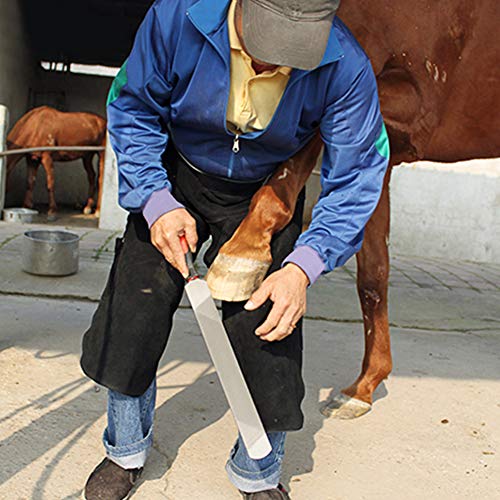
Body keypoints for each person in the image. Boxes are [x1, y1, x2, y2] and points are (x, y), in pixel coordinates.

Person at [80, 0, 390, 498]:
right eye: (267, 40)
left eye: (294, 49)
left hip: (265, 188)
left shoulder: (345, 66)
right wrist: (156, 202)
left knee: (270, 326)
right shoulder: (175, 18)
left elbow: (358, 176)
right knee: (134, 306)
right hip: (174, 174)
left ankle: (258, 472)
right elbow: (132, 106)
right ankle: (125, 449)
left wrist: (303, 268)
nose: (273, 63)